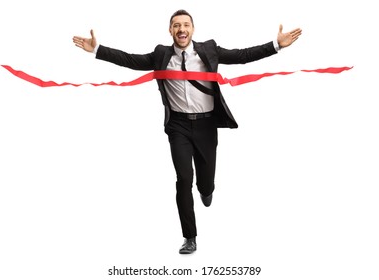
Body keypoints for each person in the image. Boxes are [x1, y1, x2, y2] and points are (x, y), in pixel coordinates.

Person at [73, 9, 302, 254]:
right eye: (176, 26)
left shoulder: (209, 49)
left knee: (205, 182)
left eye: (185, 25)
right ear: (170, 30)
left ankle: (207, 190)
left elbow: (242, 56)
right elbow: (130, 60)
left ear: (192, 29)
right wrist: (97, 50)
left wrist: (276, 45)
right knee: (184, 180)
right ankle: (189, 237)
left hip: (206, 125)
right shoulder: (161, 54)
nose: (181, 29)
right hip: (178, 127)